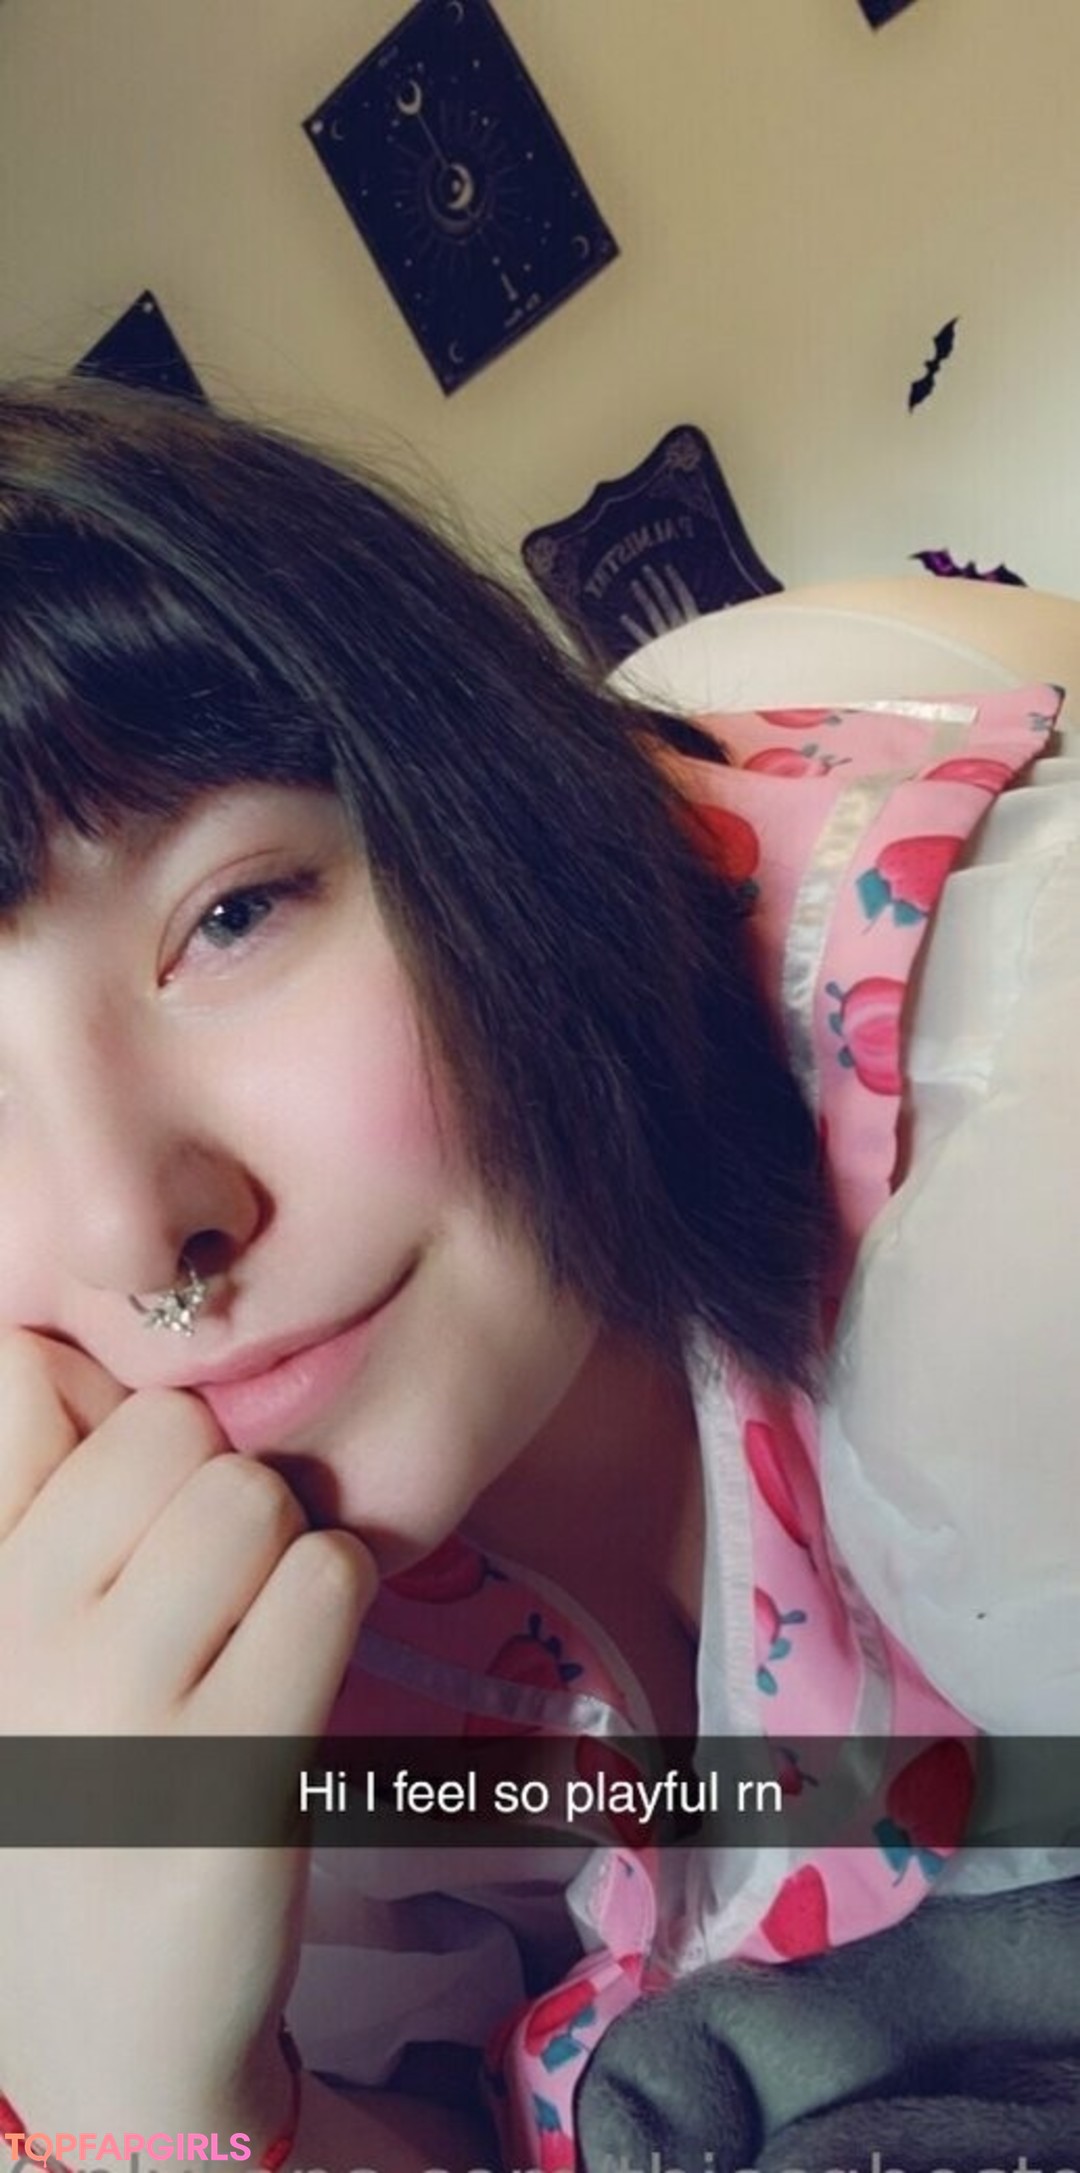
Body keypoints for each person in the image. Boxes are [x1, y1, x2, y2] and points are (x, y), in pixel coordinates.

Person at [0, 375, 1075, 2173]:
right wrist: (156, 2100)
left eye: (231, 914)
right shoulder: (139, 1595)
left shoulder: (1002, 1248)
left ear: (489, 807)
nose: (130, 1227)